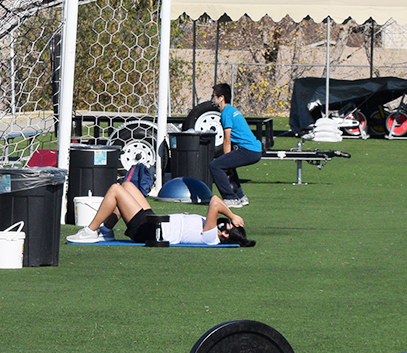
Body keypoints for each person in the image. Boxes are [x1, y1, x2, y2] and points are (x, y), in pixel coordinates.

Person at [66, 179, 251, 246]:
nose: (224, 224)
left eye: (227, 227)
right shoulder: (214, 231)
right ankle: (106, 231)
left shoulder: (211, 237)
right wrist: (232, 218)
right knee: (127, 186)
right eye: (228, 223)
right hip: (154, 221)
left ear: (225, 236)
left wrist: (232, 215)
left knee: (115, 190)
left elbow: (215, 202)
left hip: (150, 231)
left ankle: (90, 231)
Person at [207, 83, 261, 207]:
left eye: (214, 96)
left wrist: (227, 160)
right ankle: (240, 197)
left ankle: (230, 198)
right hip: (253, 150)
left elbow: (227, 139)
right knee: (228, 165)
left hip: (249, 150)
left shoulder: (226, 113)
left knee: (215, 166)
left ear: (221, 98)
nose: (212, 99)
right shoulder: (233, 110)